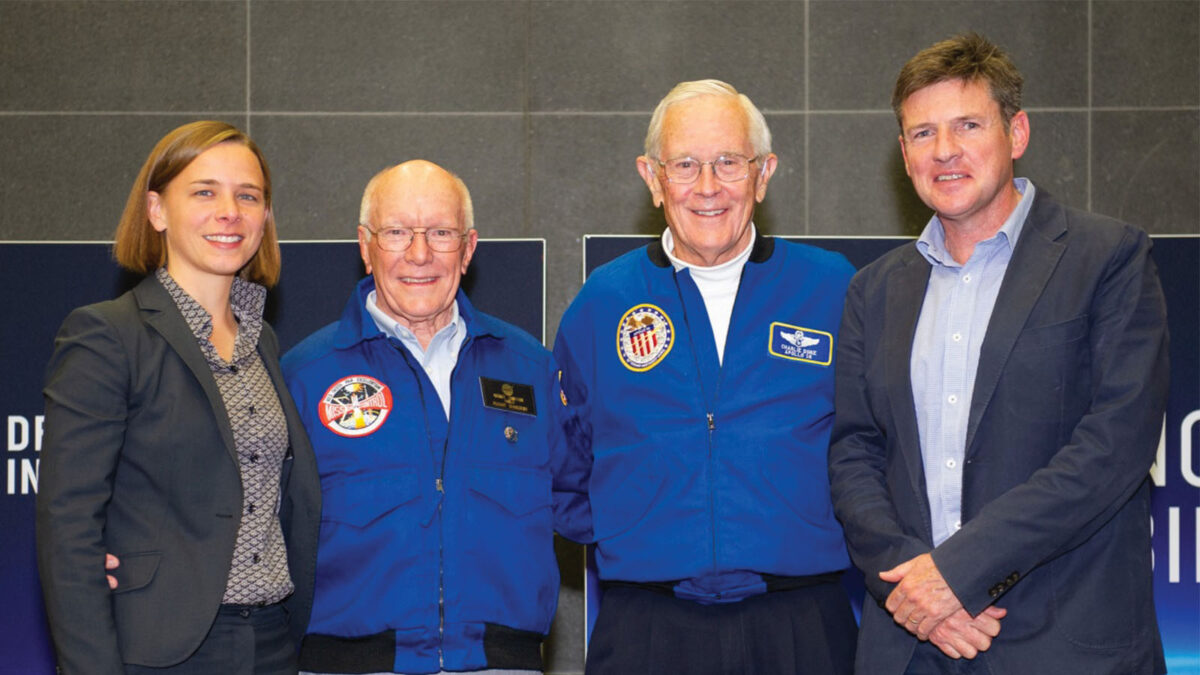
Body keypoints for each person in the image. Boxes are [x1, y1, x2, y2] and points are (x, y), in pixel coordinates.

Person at [828, 33, 1169, 674]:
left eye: (968, 125)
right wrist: (912, 590)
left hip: (1065, 642)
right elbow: (854, 453)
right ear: (903, 154)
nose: (945, 151)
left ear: (1016, 134)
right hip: (912, 645)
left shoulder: (1109, 258)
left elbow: (1114, 446)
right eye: (922, 133)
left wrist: (954, 577)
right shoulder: (871, 291)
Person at [553, 79, 858, 674]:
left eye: (729, 163)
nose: (709, 187)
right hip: (647, 628)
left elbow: (877, 447)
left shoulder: (831, 289)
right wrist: (641, 531)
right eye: (686, 165)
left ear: (764, 174)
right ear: (652, 177)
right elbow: (564, 468)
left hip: (802, 624)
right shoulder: (602, 302)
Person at [281, 160, 590, 675]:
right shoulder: (305, 375)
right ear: (365, 245)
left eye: (441, 233)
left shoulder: (529, 367)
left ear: (468, 249)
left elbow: (589, 501)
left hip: (500, 666)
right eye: (397, 232)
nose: (419, 254)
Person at [37, 120, 322, 675]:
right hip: (161, 649)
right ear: (157, 210)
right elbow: (67, 522)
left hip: (272, 642)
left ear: (265, 217)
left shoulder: (261, 339)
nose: (229, 212)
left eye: (248, 196)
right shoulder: (106, 334)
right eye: (204, 192)